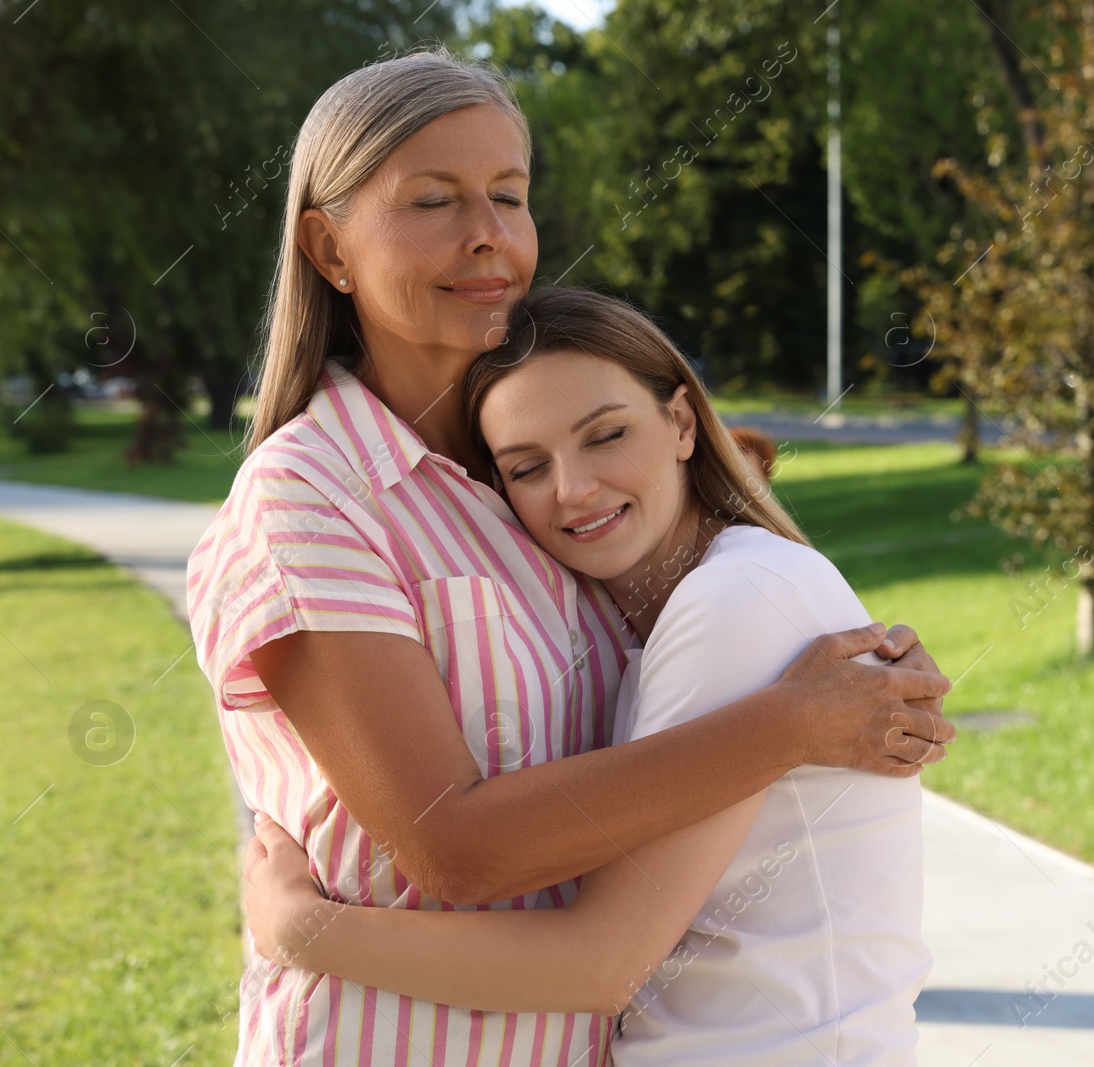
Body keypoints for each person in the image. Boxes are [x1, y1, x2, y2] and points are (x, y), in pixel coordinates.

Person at [186, 48, 954, 1066]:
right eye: (433, 200)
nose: (489, 236)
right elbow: (455, 847)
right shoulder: (312, 496)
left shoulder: (521, 491)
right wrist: (792, 721)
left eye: (510, 194)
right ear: (329, 249)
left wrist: (840, 670)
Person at [243, 286, 933, 1064]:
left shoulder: (734, 600)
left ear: (679, 422)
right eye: (527, 466)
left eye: (605, 435)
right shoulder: (661, 613)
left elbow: (599, 961)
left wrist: (306, 930)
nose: (572, 489)